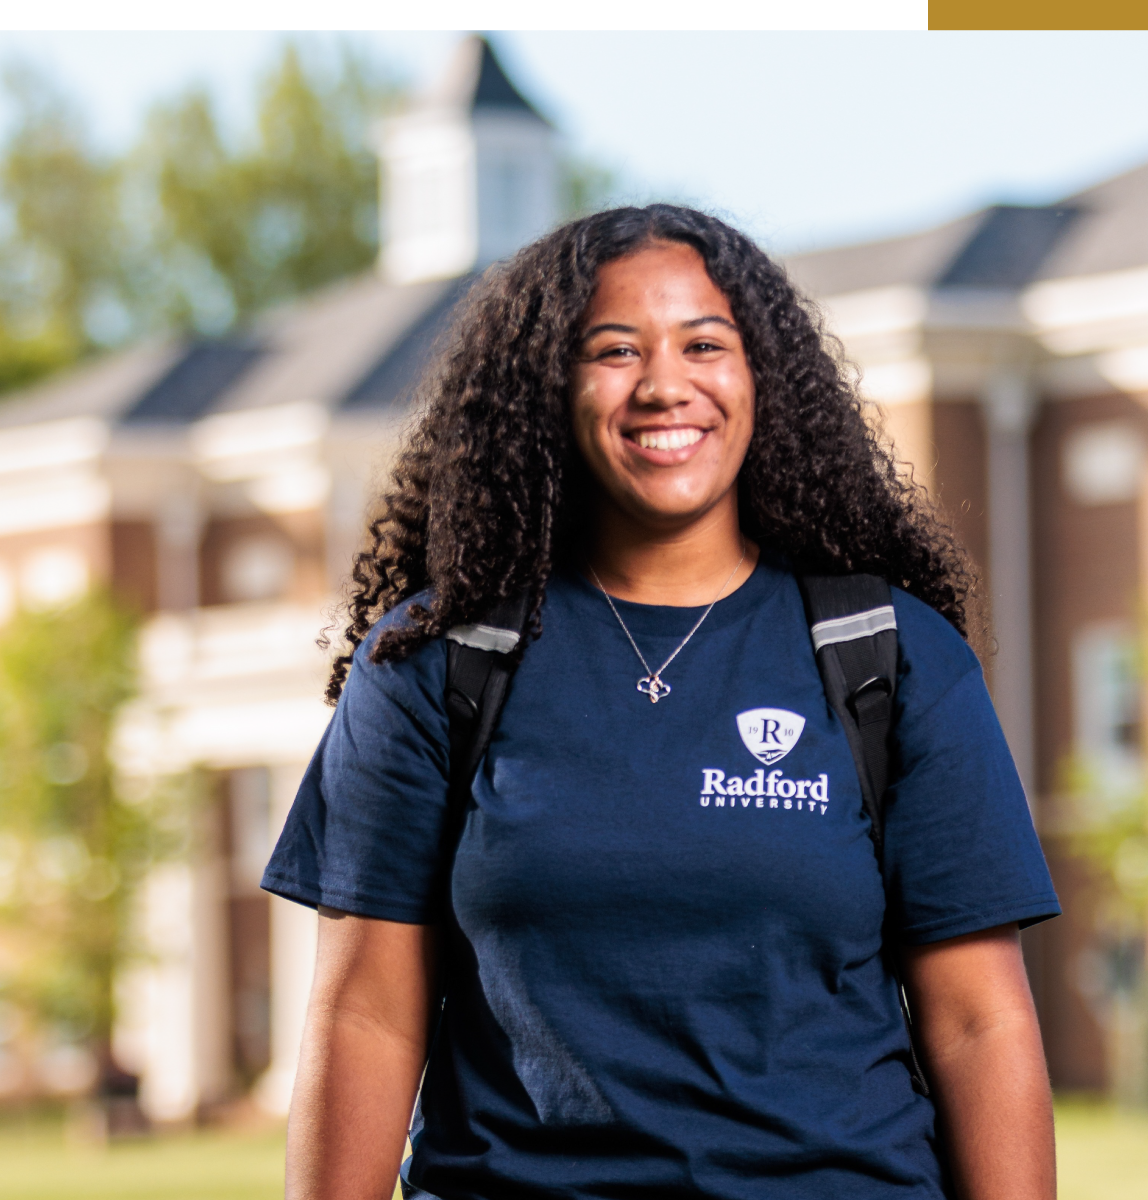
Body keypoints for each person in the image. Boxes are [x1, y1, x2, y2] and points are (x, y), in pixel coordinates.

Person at [263, 204, 1059, 1200]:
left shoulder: (887, 658)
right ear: (549, 389)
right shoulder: (437, 663)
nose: (664, 384)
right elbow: (366, 1015)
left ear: (760, 377)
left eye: (704, 345)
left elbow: (981, 1021)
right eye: (614, 350)